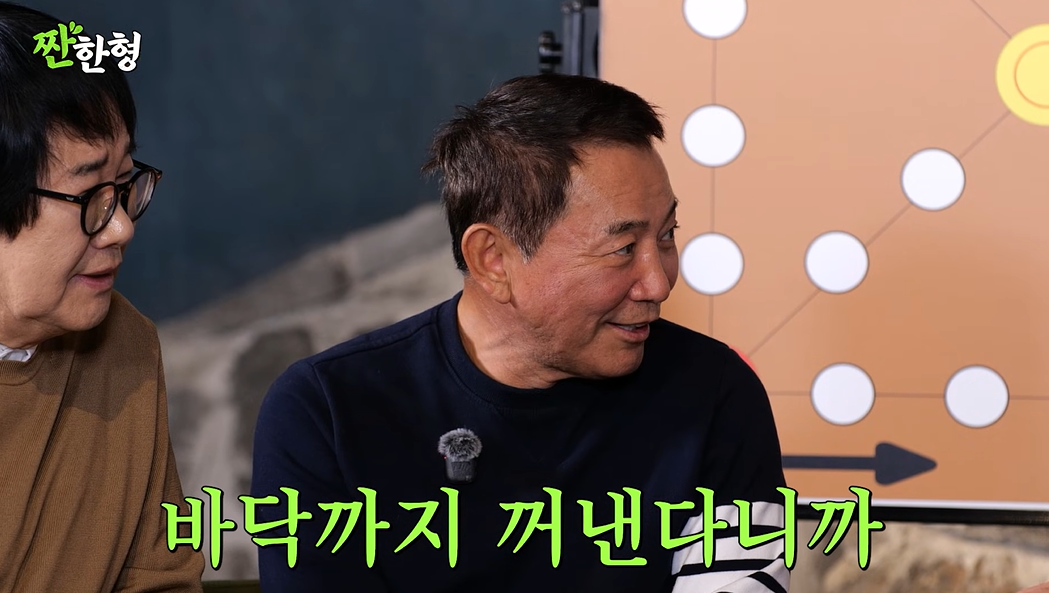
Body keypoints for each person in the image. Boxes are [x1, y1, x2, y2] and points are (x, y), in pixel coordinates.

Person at [251, 73, 790, 592]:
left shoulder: (714, 392)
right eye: (623, 248)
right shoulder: (327, 411)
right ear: (493, 259)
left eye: (667, 235)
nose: (659, 281)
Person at [0, 3, 203, 591]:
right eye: (90, 193)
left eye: (124, 184)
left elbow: (160, 579)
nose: (121, 227)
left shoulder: (124, 345)